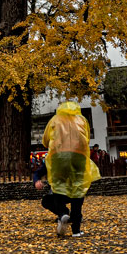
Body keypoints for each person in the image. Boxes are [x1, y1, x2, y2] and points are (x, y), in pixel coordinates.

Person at [35, 101, 100, 238]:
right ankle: (76, 230)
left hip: (59, 157)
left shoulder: (55, 120)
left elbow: (46, 140)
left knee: (58, 186)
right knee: (78, 189)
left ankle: (63, 213)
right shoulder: (82, 120)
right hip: (79, 156)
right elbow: (87, 138)